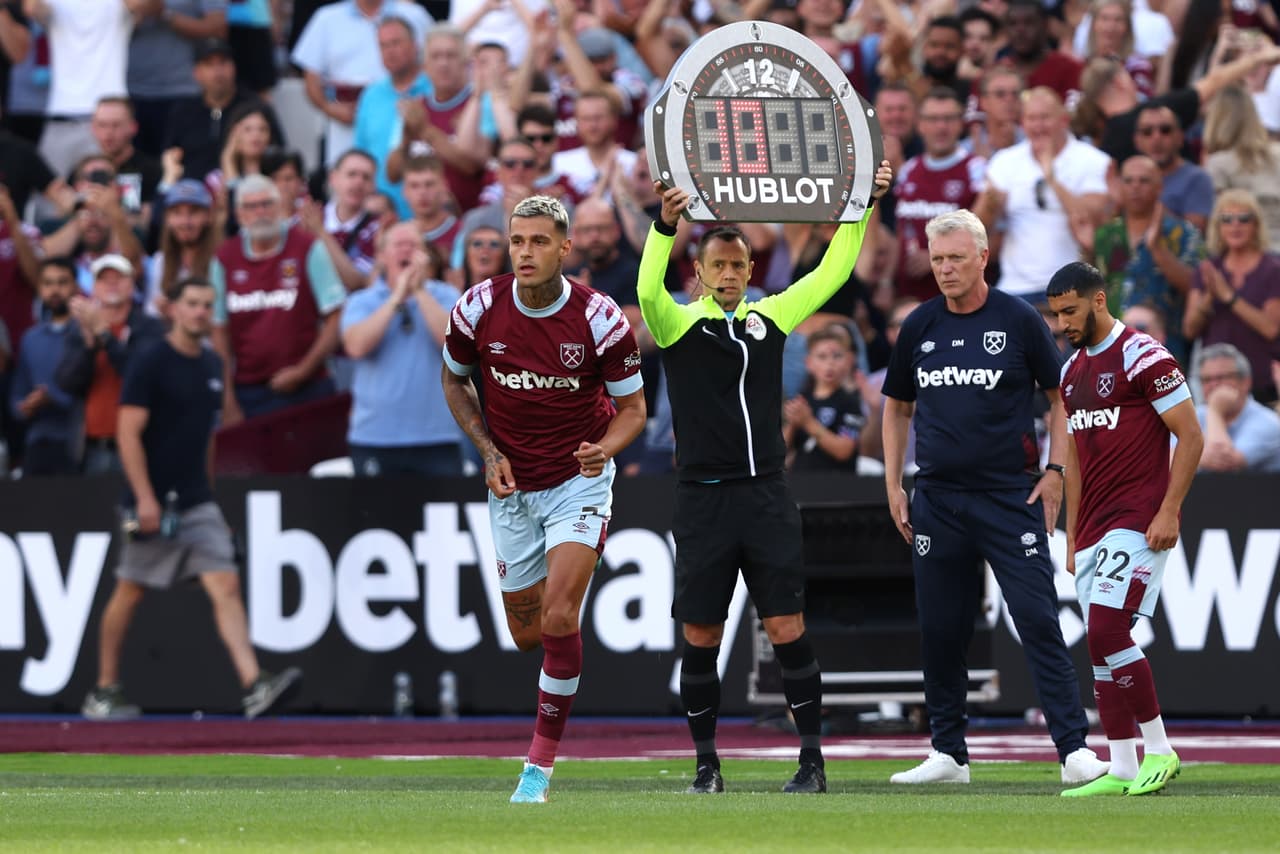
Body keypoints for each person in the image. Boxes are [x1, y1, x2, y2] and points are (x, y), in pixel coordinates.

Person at [638, 159, 894, 796]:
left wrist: (860, 207)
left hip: (766, 496)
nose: (727, 274)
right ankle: (706, 765)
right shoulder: (677, 322)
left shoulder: (771, 317)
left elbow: (833, 271)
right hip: (702, 500)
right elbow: (646, 292)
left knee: (787, 628)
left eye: (737, 265)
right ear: (697, 273)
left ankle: (811, 760)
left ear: (751, 272)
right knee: (701, 632)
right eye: (716, 265)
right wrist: (662, 227)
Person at [881, 209, 1108, 786]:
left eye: (956, 257)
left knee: (1036, 617)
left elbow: (1061, 396)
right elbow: (897, 406)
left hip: (1011, 495)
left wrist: (1056, 470)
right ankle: (948, 752)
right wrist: (892, 482)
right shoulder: (920, 325)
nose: (946, 269)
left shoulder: (1018, 319)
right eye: (937, 260)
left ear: (983, 256)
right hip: (938, 496)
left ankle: (1073, 749)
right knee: (941, 626)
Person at [441, 195, 646, 804]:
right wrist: (486, 449)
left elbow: (634, 410)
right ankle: (556, 661)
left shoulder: (601, 318)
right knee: (527, 634)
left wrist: (604, 450)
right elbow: (454, 380)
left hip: (576, 481)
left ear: (564, 247)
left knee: (559, 616)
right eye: (517, 241)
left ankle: (538, 769)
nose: (524, 252)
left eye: (537, 241)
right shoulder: (477, 307)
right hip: (511, 484)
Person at [80, 275, 302, 720]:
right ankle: (104, 690)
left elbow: (206, 440)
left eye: (207, 304)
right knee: (130, 590)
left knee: (226, 583)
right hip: (153, 498)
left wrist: (211, 501)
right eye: (193, 304)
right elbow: (128, 433)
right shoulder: (151, 360)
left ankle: (253, 684)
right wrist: (144, 498)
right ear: (174, 310)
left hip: (197, 499)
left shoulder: (210, 364)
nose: (201, 311)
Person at [1046, 260, 1203, 796]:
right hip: (1093, 524)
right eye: (1055, 313)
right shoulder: (1071, 372)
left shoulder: (1144, 355)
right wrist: (1072, 533)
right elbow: (1078, 459)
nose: (1062, 322)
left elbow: (1191, 434)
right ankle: (1121, 766)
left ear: (1098, 300)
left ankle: (1159, 749)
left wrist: (1169, 510)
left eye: (1069, 311)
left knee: (1110, 631)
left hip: (1138, 519)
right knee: (1098, 645)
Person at [211, 175, 345, 423]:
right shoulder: (224, 258)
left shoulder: (307, 247)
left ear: (280, 206)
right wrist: (227, 399)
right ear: (239, 214)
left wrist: (303, 370)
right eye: (251, 206)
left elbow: (337, 315)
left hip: (310, 385)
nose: (260, 212)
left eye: (267, 204)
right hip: (248, 391)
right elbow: (219, 330)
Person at [343, 222, 463, 477]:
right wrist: (396, 298)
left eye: (414, 245)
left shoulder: (446, 296)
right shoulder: (361, 301)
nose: (406, 251)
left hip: (437, 437)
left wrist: (419, 292)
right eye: (399, 245)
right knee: (377, 517)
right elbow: (356, 347)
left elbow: (455, 345)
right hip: (375, 437)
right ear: (382, 256)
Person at [976, 87, 1110, 303]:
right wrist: (991, 201)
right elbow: (979, 226)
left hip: (1072, 287)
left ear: (1064, 120)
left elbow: (1093, 221)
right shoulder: (1004, 161)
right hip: (1015, 289)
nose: (1038, 126)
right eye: (1031, 119)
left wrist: (1052, 178)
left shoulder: (1093, 161)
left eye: (1045, 118)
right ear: (1023, 123)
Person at [55, 254, 164, 475]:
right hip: (91, 447)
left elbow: (141, 376)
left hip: (139, 446)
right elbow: (66, 383)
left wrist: (103, 334)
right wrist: (89, 346)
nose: (112, 283)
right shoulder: (78, 330)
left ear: (132, 284)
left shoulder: (151, 328)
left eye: (119, 277)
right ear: (93, 287)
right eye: (104, 279)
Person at [1088, 155, 1202, 366]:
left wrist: (1157, 250)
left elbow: (1195, 286)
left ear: (1159, 188)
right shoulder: (1106, 234)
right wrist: (1087, 249)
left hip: (1165, 344)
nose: (1135, 187)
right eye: (1129, 181)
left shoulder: (1181, 232)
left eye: (1144, 181)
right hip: (1111, 347)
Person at [1183, 190, 1280, 405]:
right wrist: (1209, 297)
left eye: (1244, 218)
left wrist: (1229, 296)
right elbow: (1190, 329)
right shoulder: (1207, 270)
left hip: (1262, 384)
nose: (1235, 225)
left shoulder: (1273, 269)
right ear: (1218, 227)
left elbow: (1271, 328)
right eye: (1226, 219)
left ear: (1256, 225)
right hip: (1214, 384)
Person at [7, 257, 78, 475]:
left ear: (75, 286)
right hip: (37, 441)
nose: (55, 290)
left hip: (77, 442)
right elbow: (18, 393)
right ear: (38, 288)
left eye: (62, 282)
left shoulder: (87, 333)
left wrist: (54, 399)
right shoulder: (31, 338)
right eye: (47, 283)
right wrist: (25, 406)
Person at [784, 324, 866, 473]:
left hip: (837, 486)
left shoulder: (850, 402)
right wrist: (791, 424)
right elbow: (780, 454)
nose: (830, 363)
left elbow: (844, 451)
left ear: (848, 361)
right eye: (822, 356)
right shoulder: (800, 401)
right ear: (808, 363)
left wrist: (808, 422)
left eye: (837, 356)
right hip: (799, 484)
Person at [1194, 342, 1280, 472]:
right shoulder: (1194, 415)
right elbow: (1163, 458)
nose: (1214, 385)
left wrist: (1215, 411)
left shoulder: (1268, 422)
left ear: (1246, 382)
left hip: (1252, 491)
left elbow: (1224, 463)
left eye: (1222, 377)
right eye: (1206, 379)